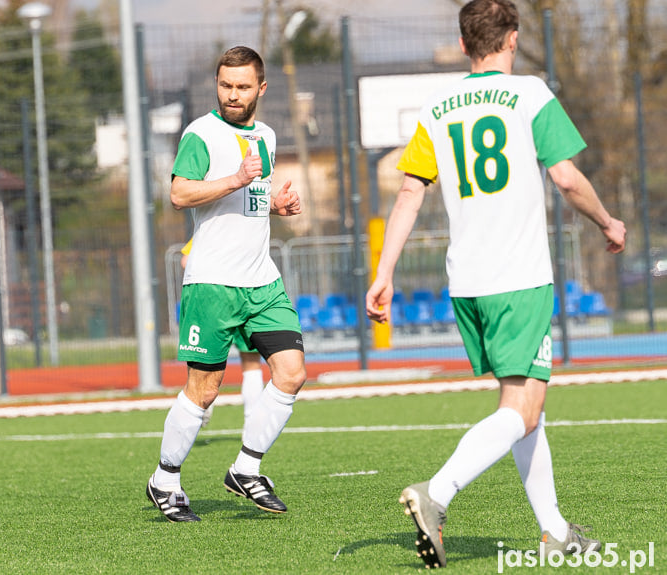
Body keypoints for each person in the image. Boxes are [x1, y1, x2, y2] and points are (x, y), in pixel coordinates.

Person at [364, 0, 626, 568]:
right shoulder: (530, 94)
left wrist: (384, 272)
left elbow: (410, 192)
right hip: (520, 279)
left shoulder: (436, 108)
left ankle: (555, 531)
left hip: (469, 285)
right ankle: (438, 493)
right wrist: (607, 221)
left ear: (464, 45)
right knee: (524, 408)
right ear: (511, 39)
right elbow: (565, 176)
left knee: (525, 402)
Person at [146, 45, 306, 523]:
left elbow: (254, 197)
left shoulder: (268, 136)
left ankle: (246, 469)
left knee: (292, 372)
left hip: (262, 281)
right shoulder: (201, 134)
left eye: (241, 86)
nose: (232, 95)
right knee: (206, 388)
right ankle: (165, 480)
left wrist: (275, 203)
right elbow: (179, 193)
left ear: (261, 88)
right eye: (224, 85)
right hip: (213, 282)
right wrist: (236, 178)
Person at [179, 238, 266, 428]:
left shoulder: (213, 227)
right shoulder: (246, 226)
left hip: (214, 299)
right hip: (246, 297)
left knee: (203, 365)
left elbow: (185, 261)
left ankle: (200, 405)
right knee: (251, 364)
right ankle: (252, 426)